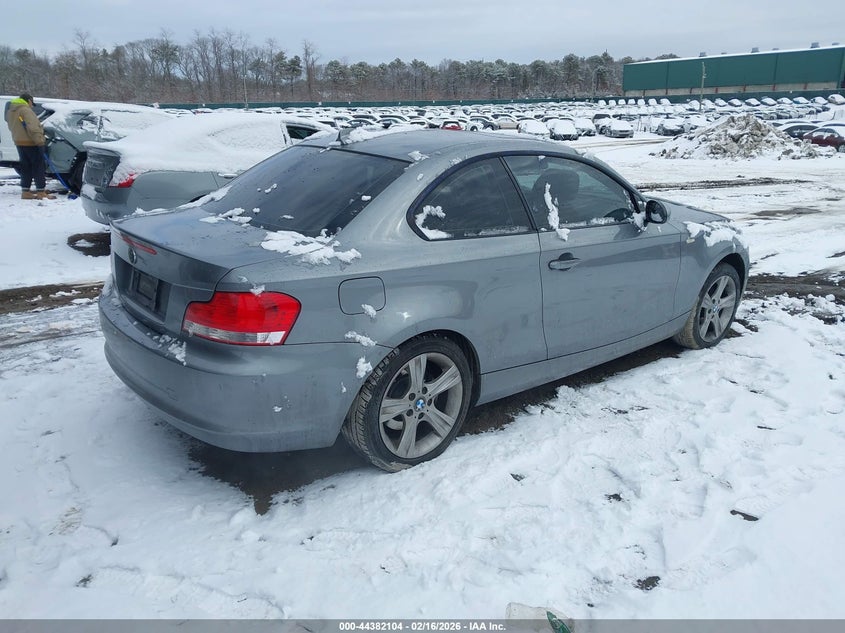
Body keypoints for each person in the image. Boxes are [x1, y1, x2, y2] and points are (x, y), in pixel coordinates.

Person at [4, 92, 55, 200]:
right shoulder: (25, 110)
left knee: (25, 167)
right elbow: (33, 127)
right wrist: (40, 141)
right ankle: (41, 192)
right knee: (38, 166)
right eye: (32, 103)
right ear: (29, 101)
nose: (32, 106)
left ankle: (25, 191)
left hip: (19, 142)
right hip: (31, 142)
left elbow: (11, 126)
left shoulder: (11, 111)